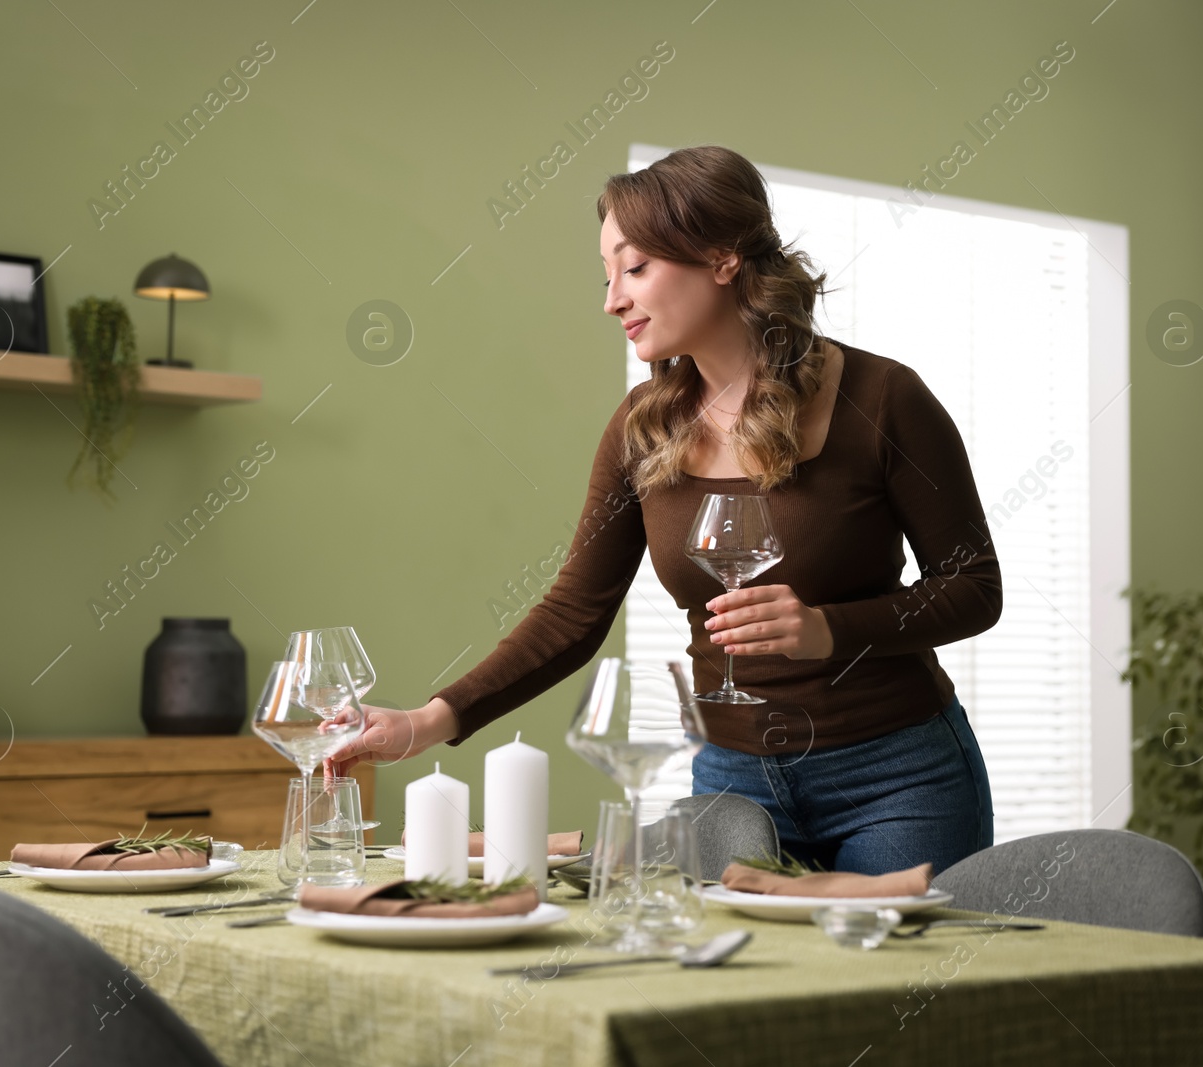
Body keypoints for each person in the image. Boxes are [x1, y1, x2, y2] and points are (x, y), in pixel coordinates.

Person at [330, 144, 1001, 876]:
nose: (612, 298)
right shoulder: (641, 426)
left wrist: (827, 628)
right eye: (608, 274)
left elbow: (974, 586)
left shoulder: (884, 398)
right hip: (731, 781)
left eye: (635, 267)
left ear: (721, 258)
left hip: (896, 777)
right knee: (723, 977)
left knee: (894, 985)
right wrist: (427, 720)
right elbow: (574, 614)